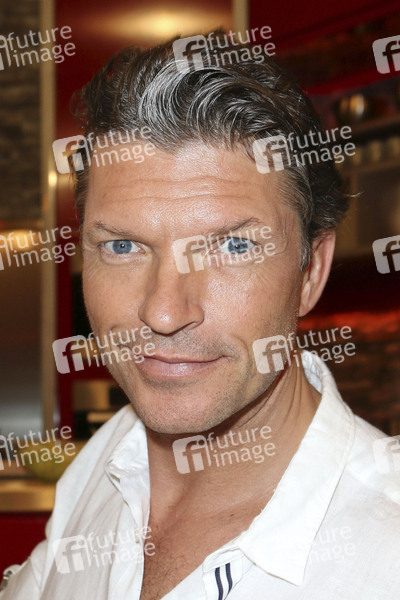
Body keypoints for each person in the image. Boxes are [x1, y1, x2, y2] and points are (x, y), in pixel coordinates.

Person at [2, 32, 400, 600]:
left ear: (311, 269)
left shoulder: (385, 555)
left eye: (233, 247)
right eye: (122, 246)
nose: (164, 312)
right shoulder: (108, 461)